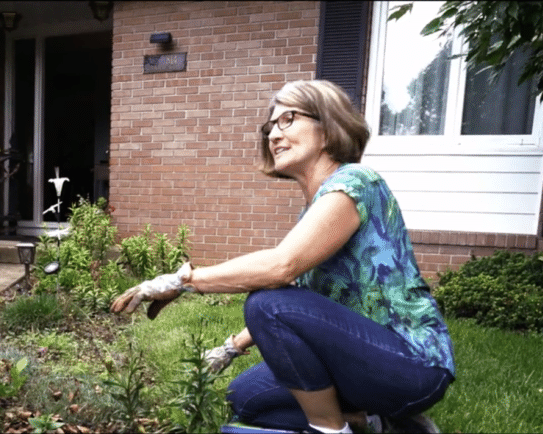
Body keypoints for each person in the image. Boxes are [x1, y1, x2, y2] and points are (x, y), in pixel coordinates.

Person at [111, 80, 455, 434]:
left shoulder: (356, 183)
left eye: (288, 119)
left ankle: (330, 429)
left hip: (412, 365)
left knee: (267, 300)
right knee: (245, 396)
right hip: (360, 359)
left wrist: (182, 281)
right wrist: (229, 348)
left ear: (328, 126)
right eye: (270, 126)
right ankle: (379, 424)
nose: (273, 134)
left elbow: (279, 269)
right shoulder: (314, 212)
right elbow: (301, 309)